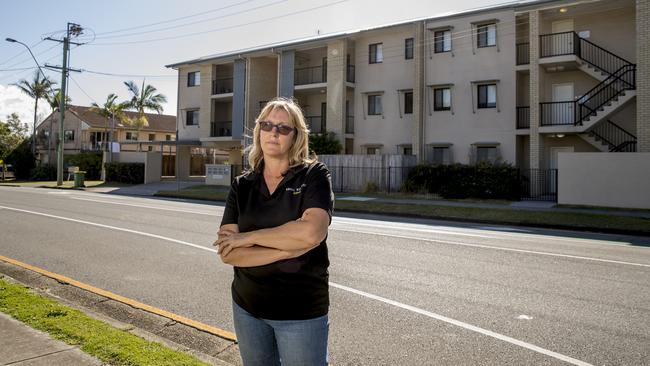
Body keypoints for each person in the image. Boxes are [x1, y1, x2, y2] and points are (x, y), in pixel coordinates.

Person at [214, 97, 334, 366]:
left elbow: (312, 233)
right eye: (267, 125)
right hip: (248, 309)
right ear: (258, 131)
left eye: (283, 128)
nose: (273, 133)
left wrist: (249, 238)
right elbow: (228, 253)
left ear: (296, 136)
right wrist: (290, 247)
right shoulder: (242, 185)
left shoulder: (313, 175)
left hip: (301, 314)